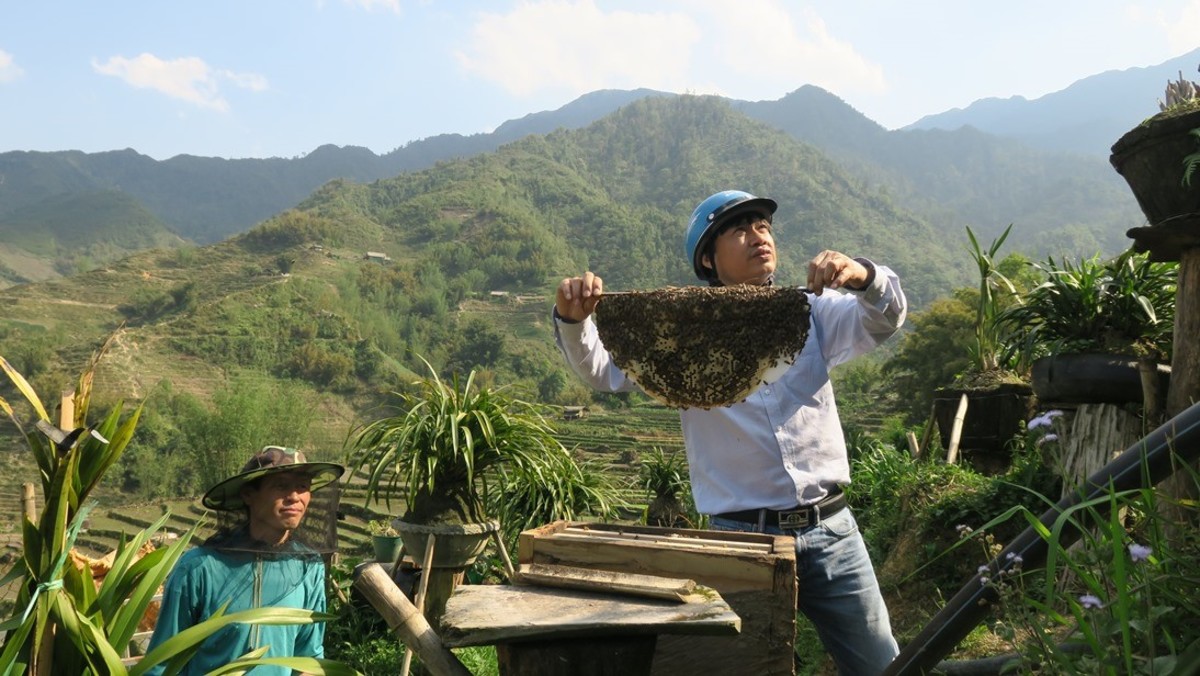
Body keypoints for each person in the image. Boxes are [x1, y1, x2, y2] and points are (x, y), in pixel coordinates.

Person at [552, 189, 907, 674]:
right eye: (739, 229)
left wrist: (863, 275)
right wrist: (574, 321)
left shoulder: (813, 311)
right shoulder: (677, 334)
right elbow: (602, 370)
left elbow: (886, 316)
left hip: (832, 533)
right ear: (708, 258)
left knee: (883, 666)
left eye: (763, 226)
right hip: (740, 543)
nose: (758, 236)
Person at [144, 446, 345, 675]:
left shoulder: (308, 567)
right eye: (281, 486)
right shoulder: (199, 569)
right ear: (248, 494)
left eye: (302, 486)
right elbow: (162, 663)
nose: (295, 497)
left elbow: (308, 657)